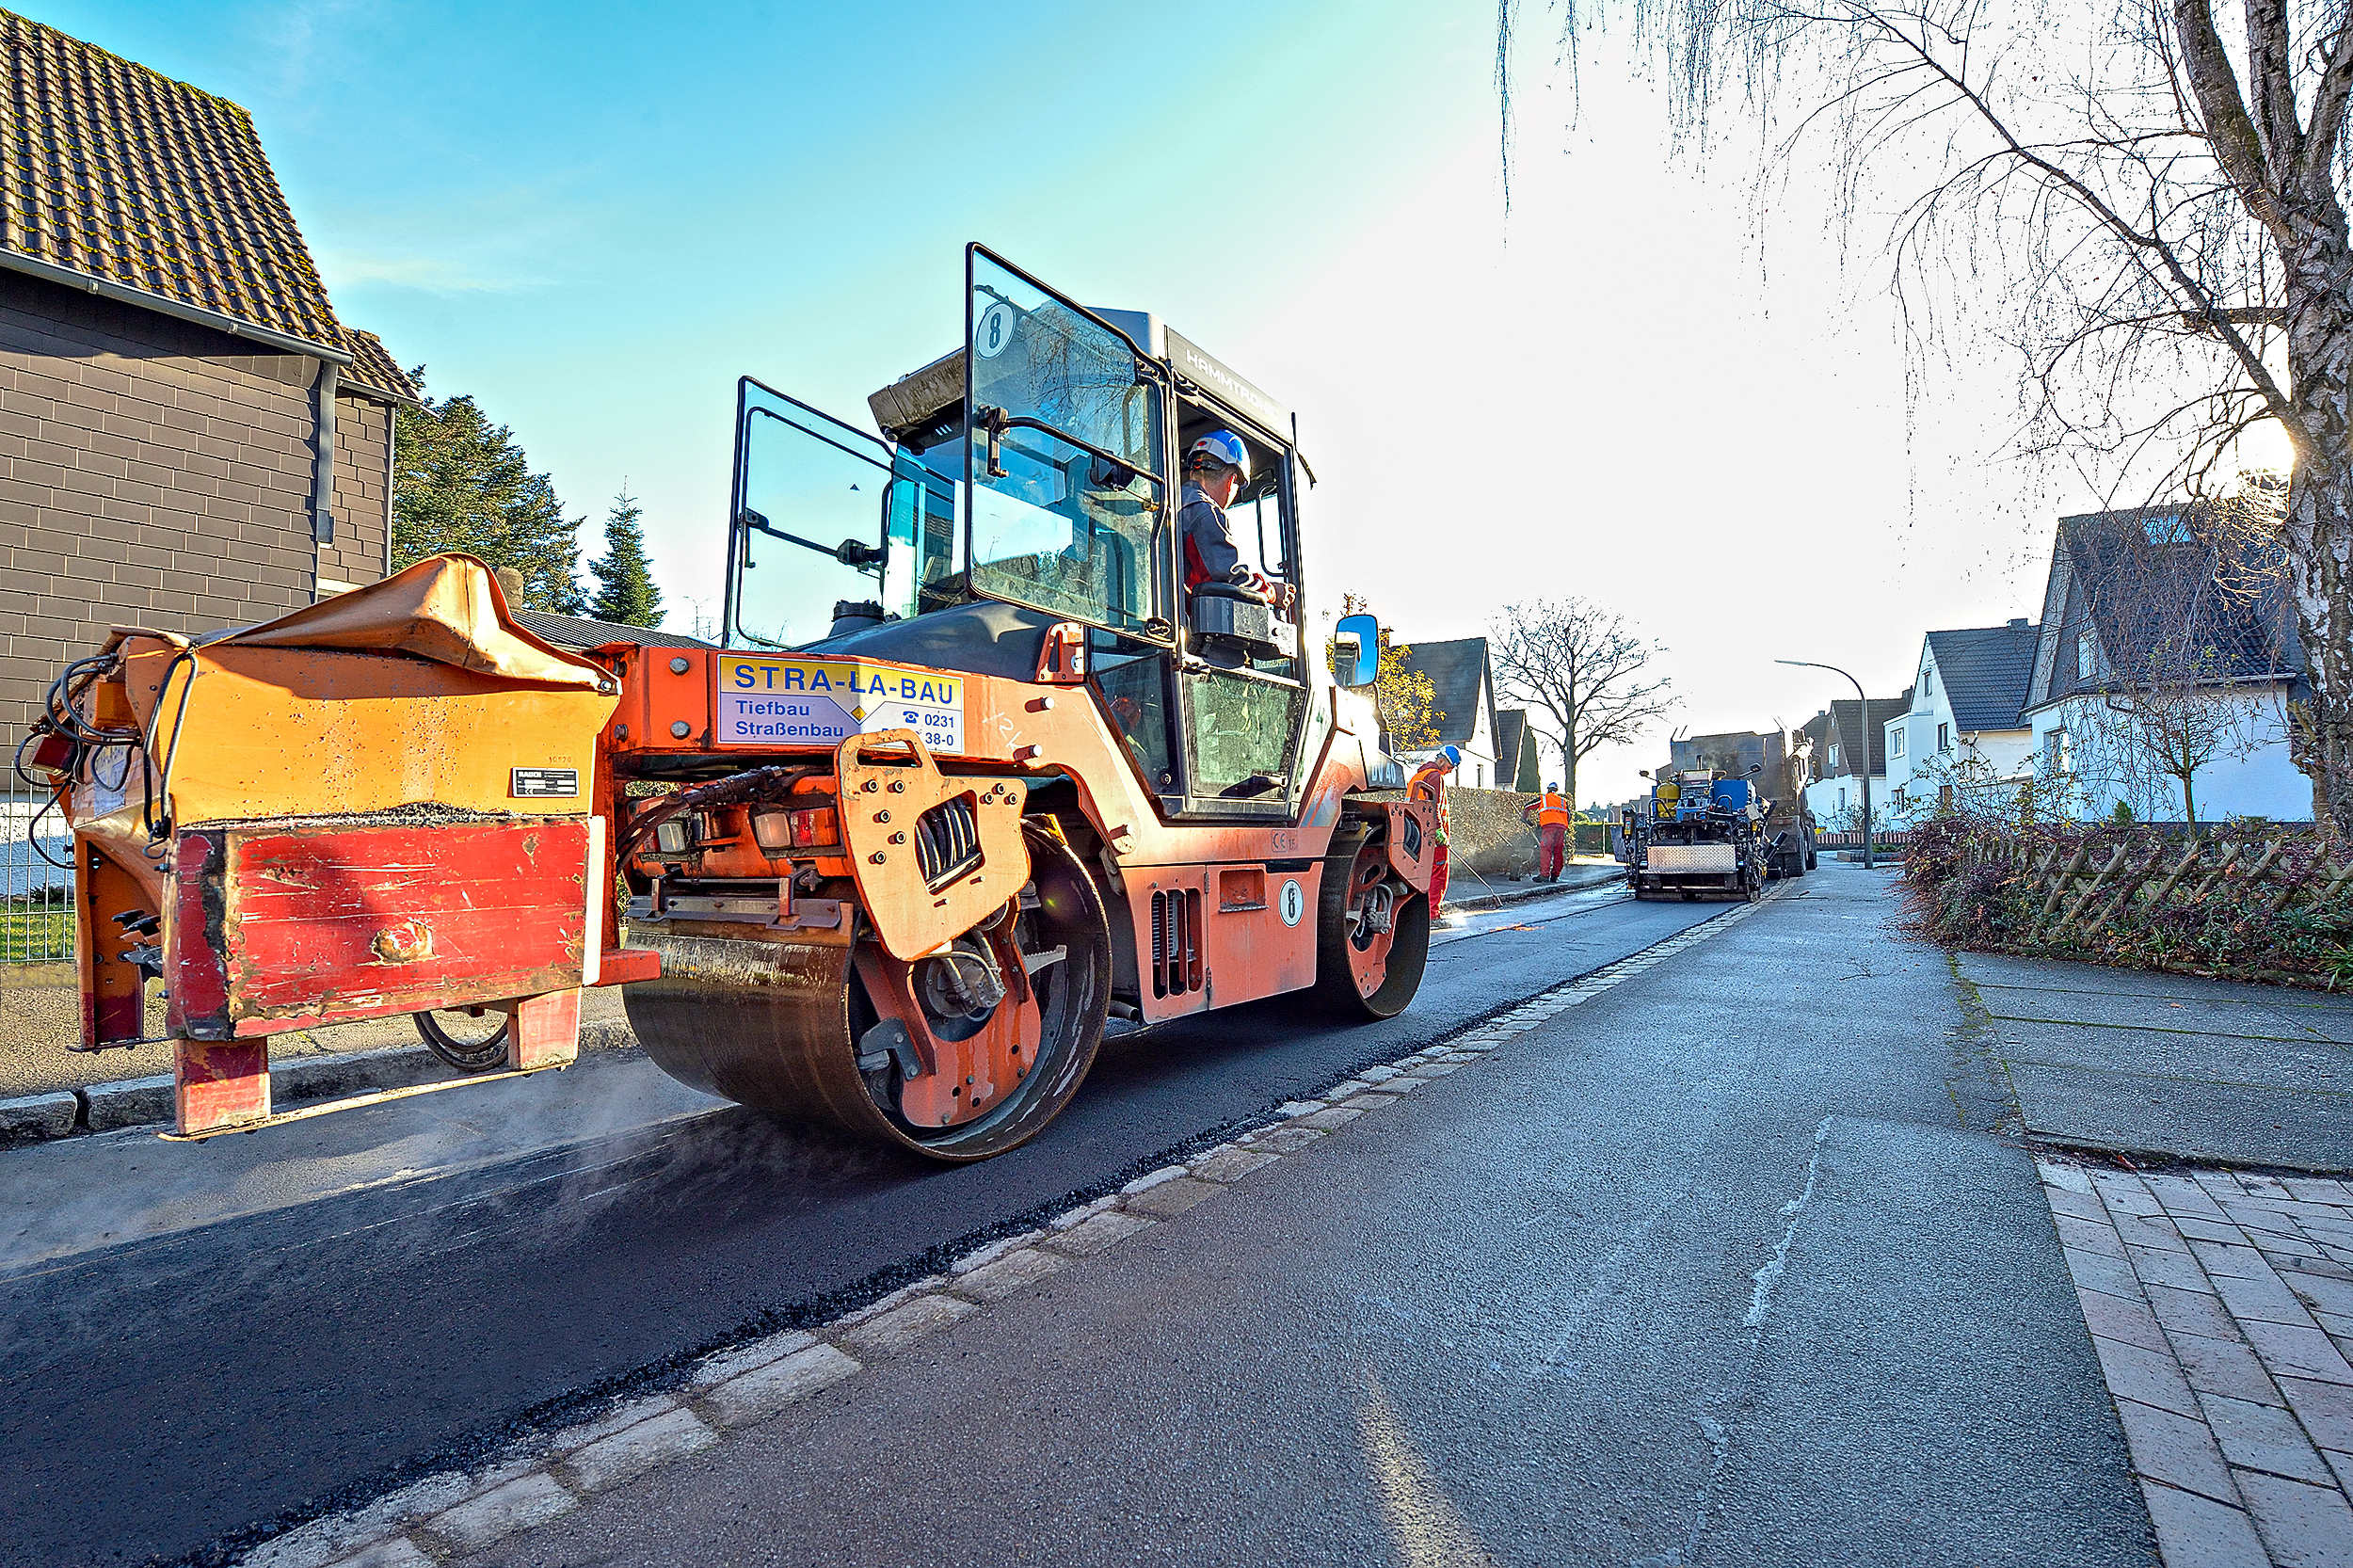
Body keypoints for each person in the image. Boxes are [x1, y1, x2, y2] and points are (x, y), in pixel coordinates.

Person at [1178, 431, 1295, 614]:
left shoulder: (1173, 501)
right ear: (1232, 481)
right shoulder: (1203, 511)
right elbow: (1230, 583)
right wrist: (1271, 592)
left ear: (1193, 471)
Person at [1408, 744, 1461, 918]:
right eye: (1449, 767)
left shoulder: (1419, 775)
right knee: (1438, 873)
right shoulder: (1435, 776)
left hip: (1416, 832)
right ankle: (1433, 914)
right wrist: (1439, 831)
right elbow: (1433, 806)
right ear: (1441, 760)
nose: (1450, 771)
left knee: (1421, 874)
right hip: (1433, 835)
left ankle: (1422, 915)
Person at [1523, 782, 1573, 882]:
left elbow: (1527, 806)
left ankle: (1544, 875)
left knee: (1546, 850)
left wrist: (1524, 819)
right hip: (1561, 828)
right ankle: (1555, 876)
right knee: (1558, 851)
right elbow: (1569, 815)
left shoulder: (1543, 798)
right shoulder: (1563, 801)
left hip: (1549, 827)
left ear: (1548, 789)